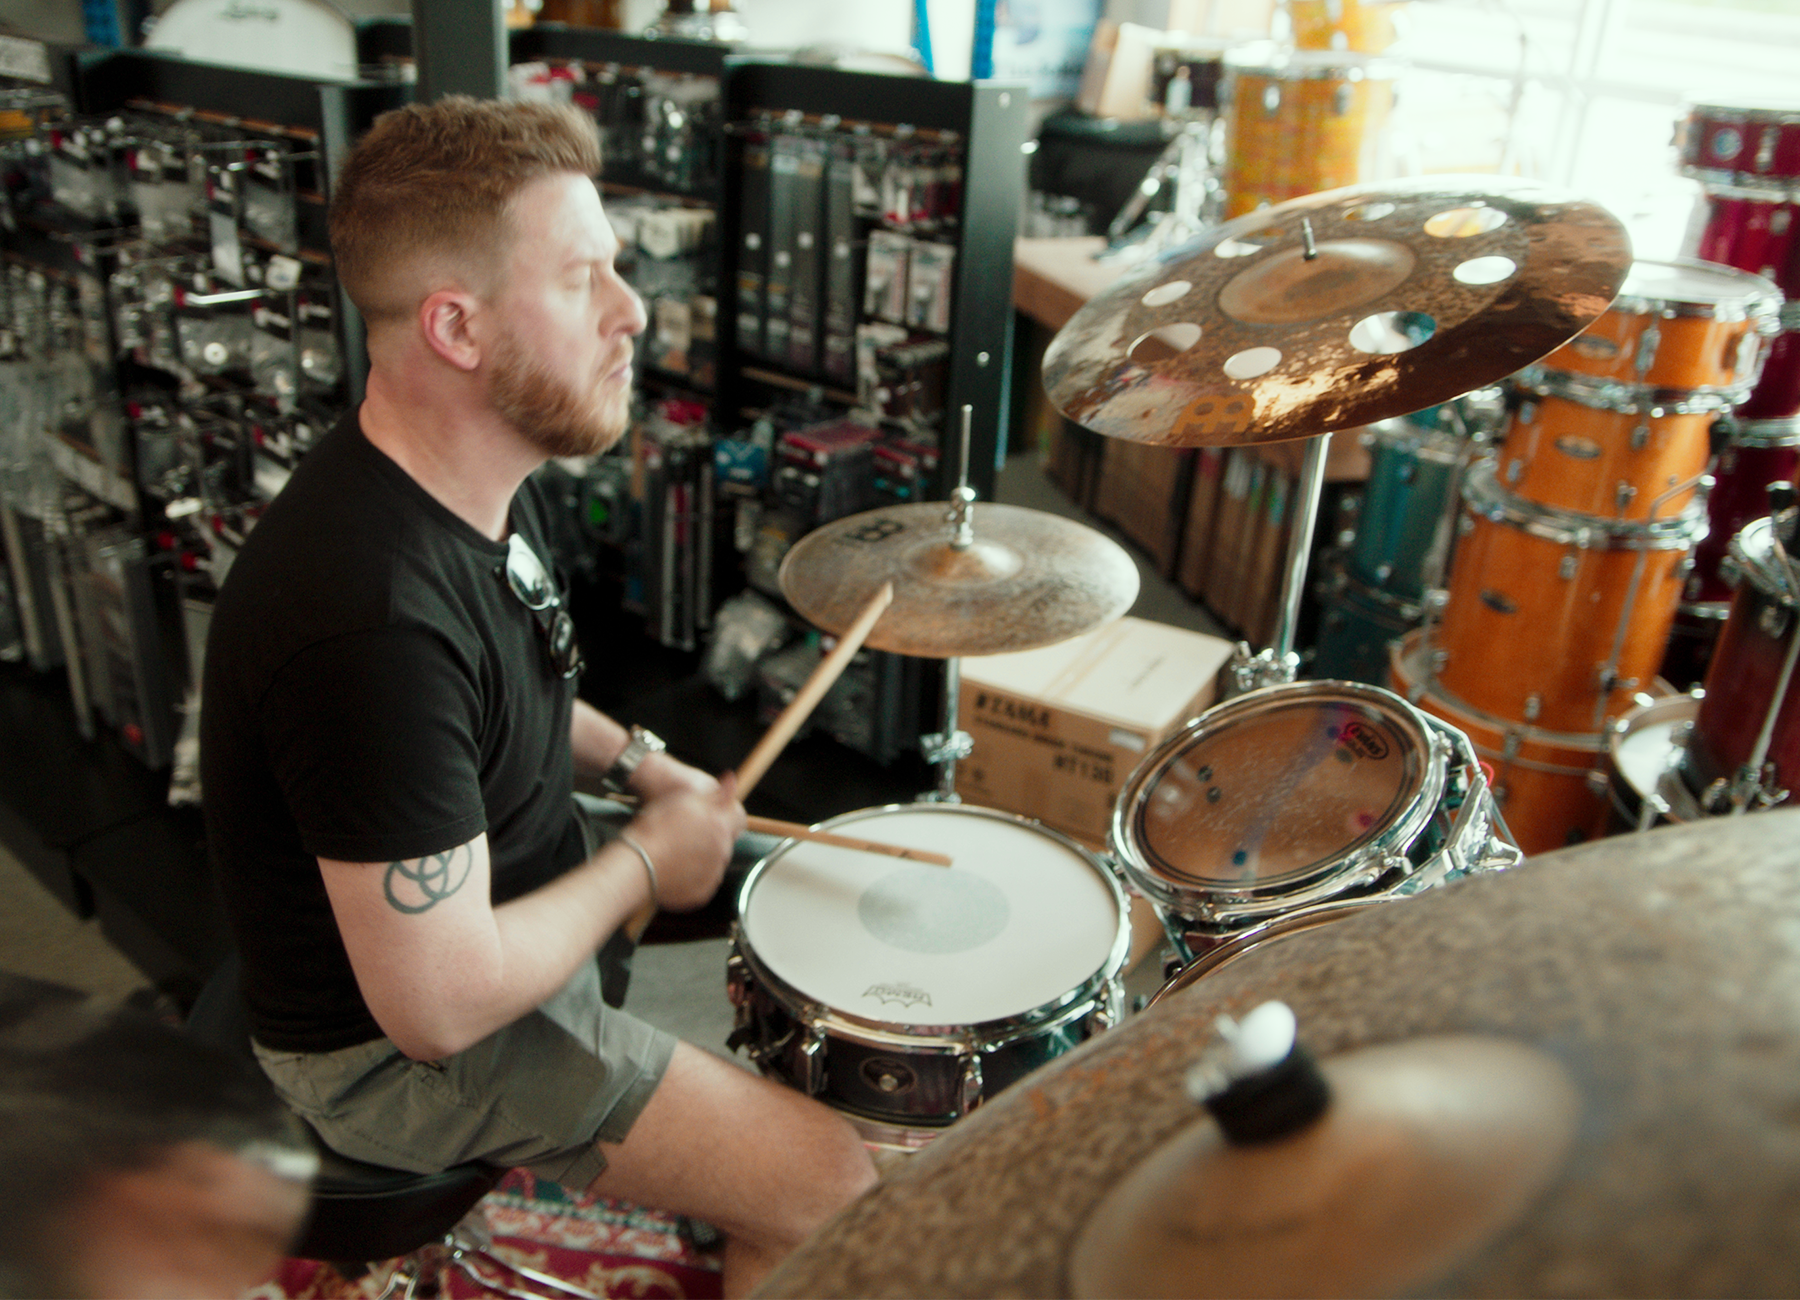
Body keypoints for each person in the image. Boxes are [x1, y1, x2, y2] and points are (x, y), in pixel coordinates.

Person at [198, 96, 876, 1298]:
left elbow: (505, 695)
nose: (634, 312)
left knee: (828, 912)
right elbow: (441, 1007)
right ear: (456, 326)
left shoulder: (466, 476)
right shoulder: (366, 620)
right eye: (583, 282)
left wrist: (640, 767)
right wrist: (643, 862)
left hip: (487, 893)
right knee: (832, 1179)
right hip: (388, 1051)